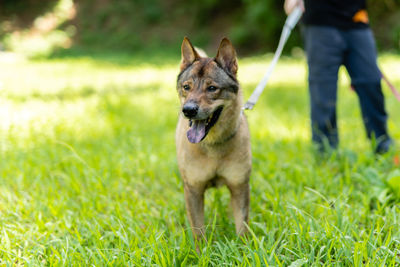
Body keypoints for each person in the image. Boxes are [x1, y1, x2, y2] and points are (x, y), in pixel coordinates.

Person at [284, 0, 393, 154]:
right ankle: (325, 153)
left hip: (356, 19)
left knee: (371, 81)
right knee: (323, 93)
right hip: (320, 22)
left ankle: (383, 145)